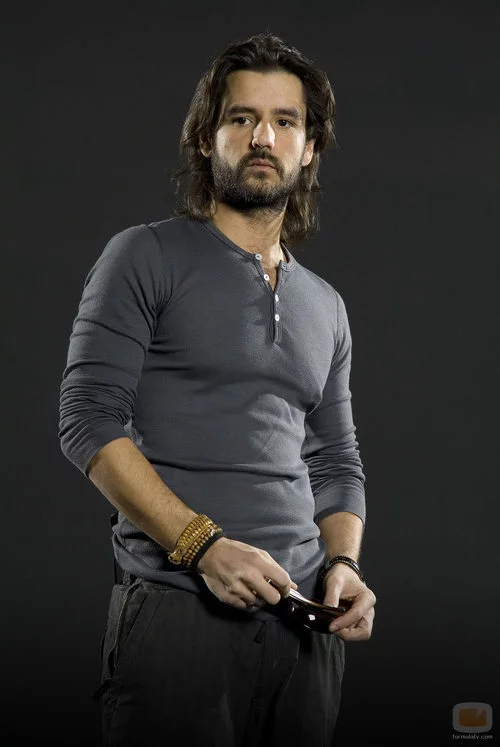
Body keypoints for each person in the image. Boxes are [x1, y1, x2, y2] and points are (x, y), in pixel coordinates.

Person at [58, 31, 376, 747]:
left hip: (306, 630)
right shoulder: (144, 255)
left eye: (285, 121)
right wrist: (201, 546)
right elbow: (88, 420)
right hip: (178, 614)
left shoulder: (326, 305)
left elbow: (336, 459)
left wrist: (345, 564)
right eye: (242, 117)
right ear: (207, 138)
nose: (263, 137)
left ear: (310, 147)